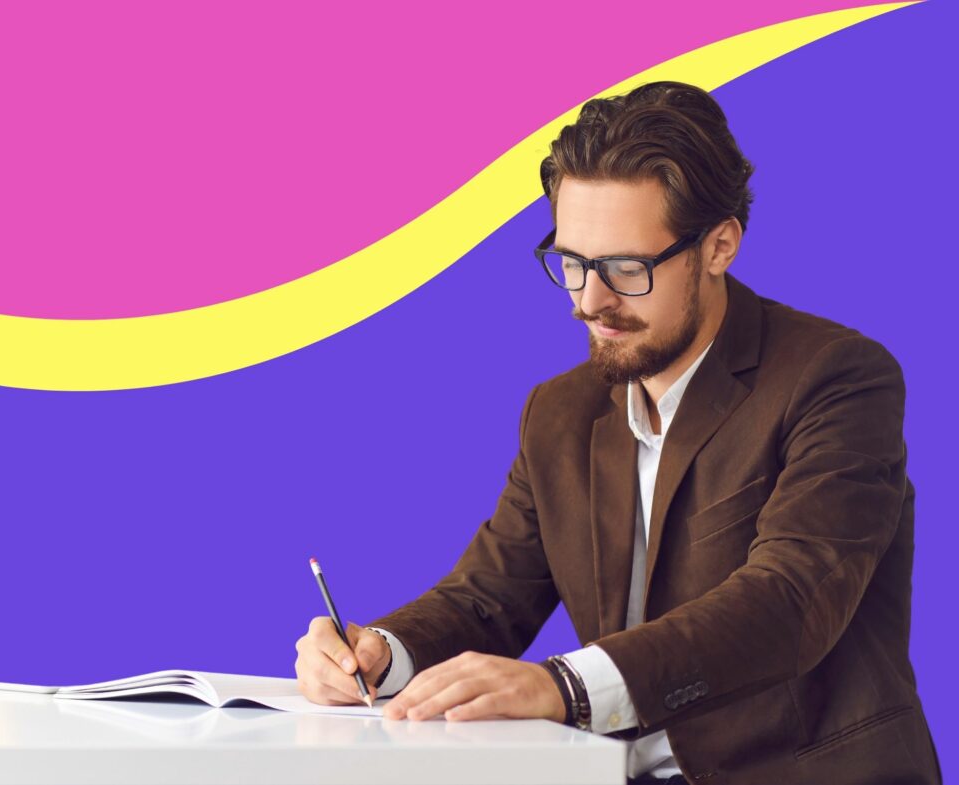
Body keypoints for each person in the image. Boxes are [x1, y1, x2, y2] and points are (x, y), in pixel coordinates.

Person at [293, 81, 941, 785]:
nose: (589, 301)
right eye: (572, 263)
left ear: (719, 245)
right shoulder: (559, 411)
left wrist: (565, 688)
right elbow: (489, 597)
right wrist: (384, 651)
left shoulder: (838, 377)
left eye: (626, 269)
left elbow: (789, 600)